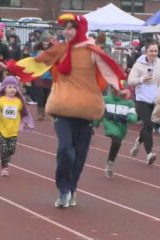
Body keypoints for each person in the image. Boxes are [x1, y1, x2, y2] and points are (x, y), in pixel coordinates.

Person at [8, 13, 127, 208]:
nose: (67, 31)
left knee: (79, 155)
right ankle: (63, 189)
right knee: (65, 150)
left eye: (71, 27)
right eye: (65, 27)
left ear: (79, 30)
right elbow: (36, 63)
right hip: (62, 108)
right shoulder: (59, 50)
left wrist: (122, 89)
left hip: (86, 110)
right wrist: (9, 67)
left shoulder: (92, 51)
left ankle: (71, 188)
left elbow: (111, 71)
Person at [128, 41, 160, 165]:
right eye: (151, 51)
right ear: (146, 52)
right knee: (148, 125)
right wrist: (142, 79)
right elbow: (130, 81)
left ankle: (139, 141)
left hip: (157, 100)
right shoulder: (138, 65)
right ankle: (149, 154)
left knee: (149, 126)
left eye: (155, 51)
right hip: (142, 99)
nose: (153, 53)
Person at [0, 76, 34, 176]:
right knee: (4, 149)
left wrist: (27, 122)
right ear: (4, 88)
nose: (12, 89)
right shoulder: (0, 100)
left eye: (14, 87)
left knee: (11, 149)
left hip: (14, 130)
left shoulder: (19, 102)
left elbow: (24, 112)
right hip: (2, 129)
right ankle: (4, 167)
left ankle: (7, 157)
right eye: (9, 87)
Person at [95, 83, 137, 178]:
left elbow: (132, 113)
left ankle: (110, 163)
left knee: (117, 143)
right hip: (109, 123)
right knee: (116, 139)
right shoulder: (106, 100)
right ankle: (110, 165)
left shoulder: (129, 103)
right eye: (115, 88)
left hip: (121, 127)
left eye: (120, 89)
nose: (117, 90)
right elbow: (99, 111)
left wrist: (132, 117)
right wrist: (95, 122)